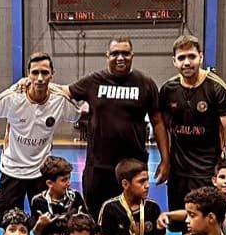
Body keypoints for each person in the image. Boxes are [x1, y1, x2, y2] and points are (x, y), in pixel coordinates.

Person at [0, 52, 80, 225]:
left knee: (46, 224)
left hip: (41, 172)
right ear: (28, 74)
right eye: (35, 72)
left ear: (52, 74)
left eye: (45, 73)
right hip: (12, 170)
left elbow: (80, 114)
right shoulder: (13, 97)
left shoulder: (60, 100)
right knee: (9, 224)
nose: (40, 78)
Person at [58, 37, 170, 219]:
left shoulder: (145, 84)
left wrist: (166, 160)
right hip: (98, 167)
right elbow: (64, 91)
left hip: (133, 167)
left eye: (125, 53)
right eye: (115, 53)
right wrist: (30, 83)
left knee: (134, 219)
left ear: (132, 56)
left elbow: (157, 122)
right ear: (107, 56)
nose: (120, 58)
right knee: (96, 219)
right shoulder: (93, 81)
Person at [159, 34, 226, 216]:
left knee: (207, 221)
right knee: (182, 222)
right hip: (178, 173)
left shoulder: (217, 88)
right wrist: (165, 161)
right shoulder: (167, 90)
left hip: (208, 171)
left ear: (201, 57)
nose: (187, 62)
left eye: (192, 56)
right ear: (174, 61)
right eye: (181, 58)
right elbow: (163, 128)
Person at [97, 158, 169, 235]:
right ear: (125, 184)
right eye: (141, 181)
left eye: (147, 180)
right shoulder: (110, 208)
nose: (147, 185)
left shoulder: (153, 208)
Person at [30, 155, 89, 235]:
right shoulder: (38, 201)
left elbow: (88, 228)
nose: (68, 183)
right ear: (50, 183)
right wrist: (40, 224)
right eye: (64, 180)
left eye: (69, 178)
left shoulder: (76, 197)